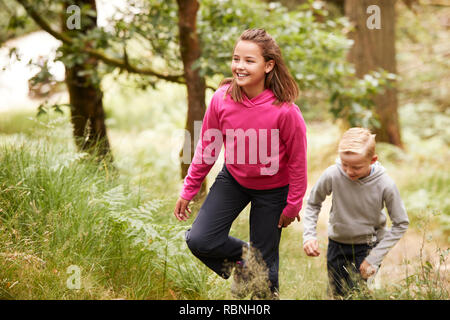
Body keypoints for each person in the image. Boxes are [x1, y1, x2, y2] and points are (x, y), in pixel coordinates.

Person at [173, 29, 307, 298]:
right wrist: (189, 188)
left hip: (273, 190)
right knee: (200, 239)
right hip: (233, 180)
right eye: (236, 59)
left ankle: (259, 276)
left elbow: (298, 161)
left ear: (268, 65)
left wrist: (293, 204)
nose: (239, 66)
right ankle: (245, 256)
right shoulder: (222, 98)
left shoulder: (286, 110)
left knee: (264, 274)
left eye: (249, 60)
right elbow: (207, 148)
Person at [302, 127, 409, 298]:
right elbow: (313, 203)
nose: (349, 171)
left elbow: (401, 223)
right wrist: (309, 236)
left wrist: (374, 257)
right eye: (344, 164)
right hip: (336, 245)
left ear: (373, 160)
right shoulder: (333, 174)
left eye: (356, 167)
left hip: (368, 248)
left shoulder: (385, 184)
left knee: (357, 294)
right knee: (336, 294)